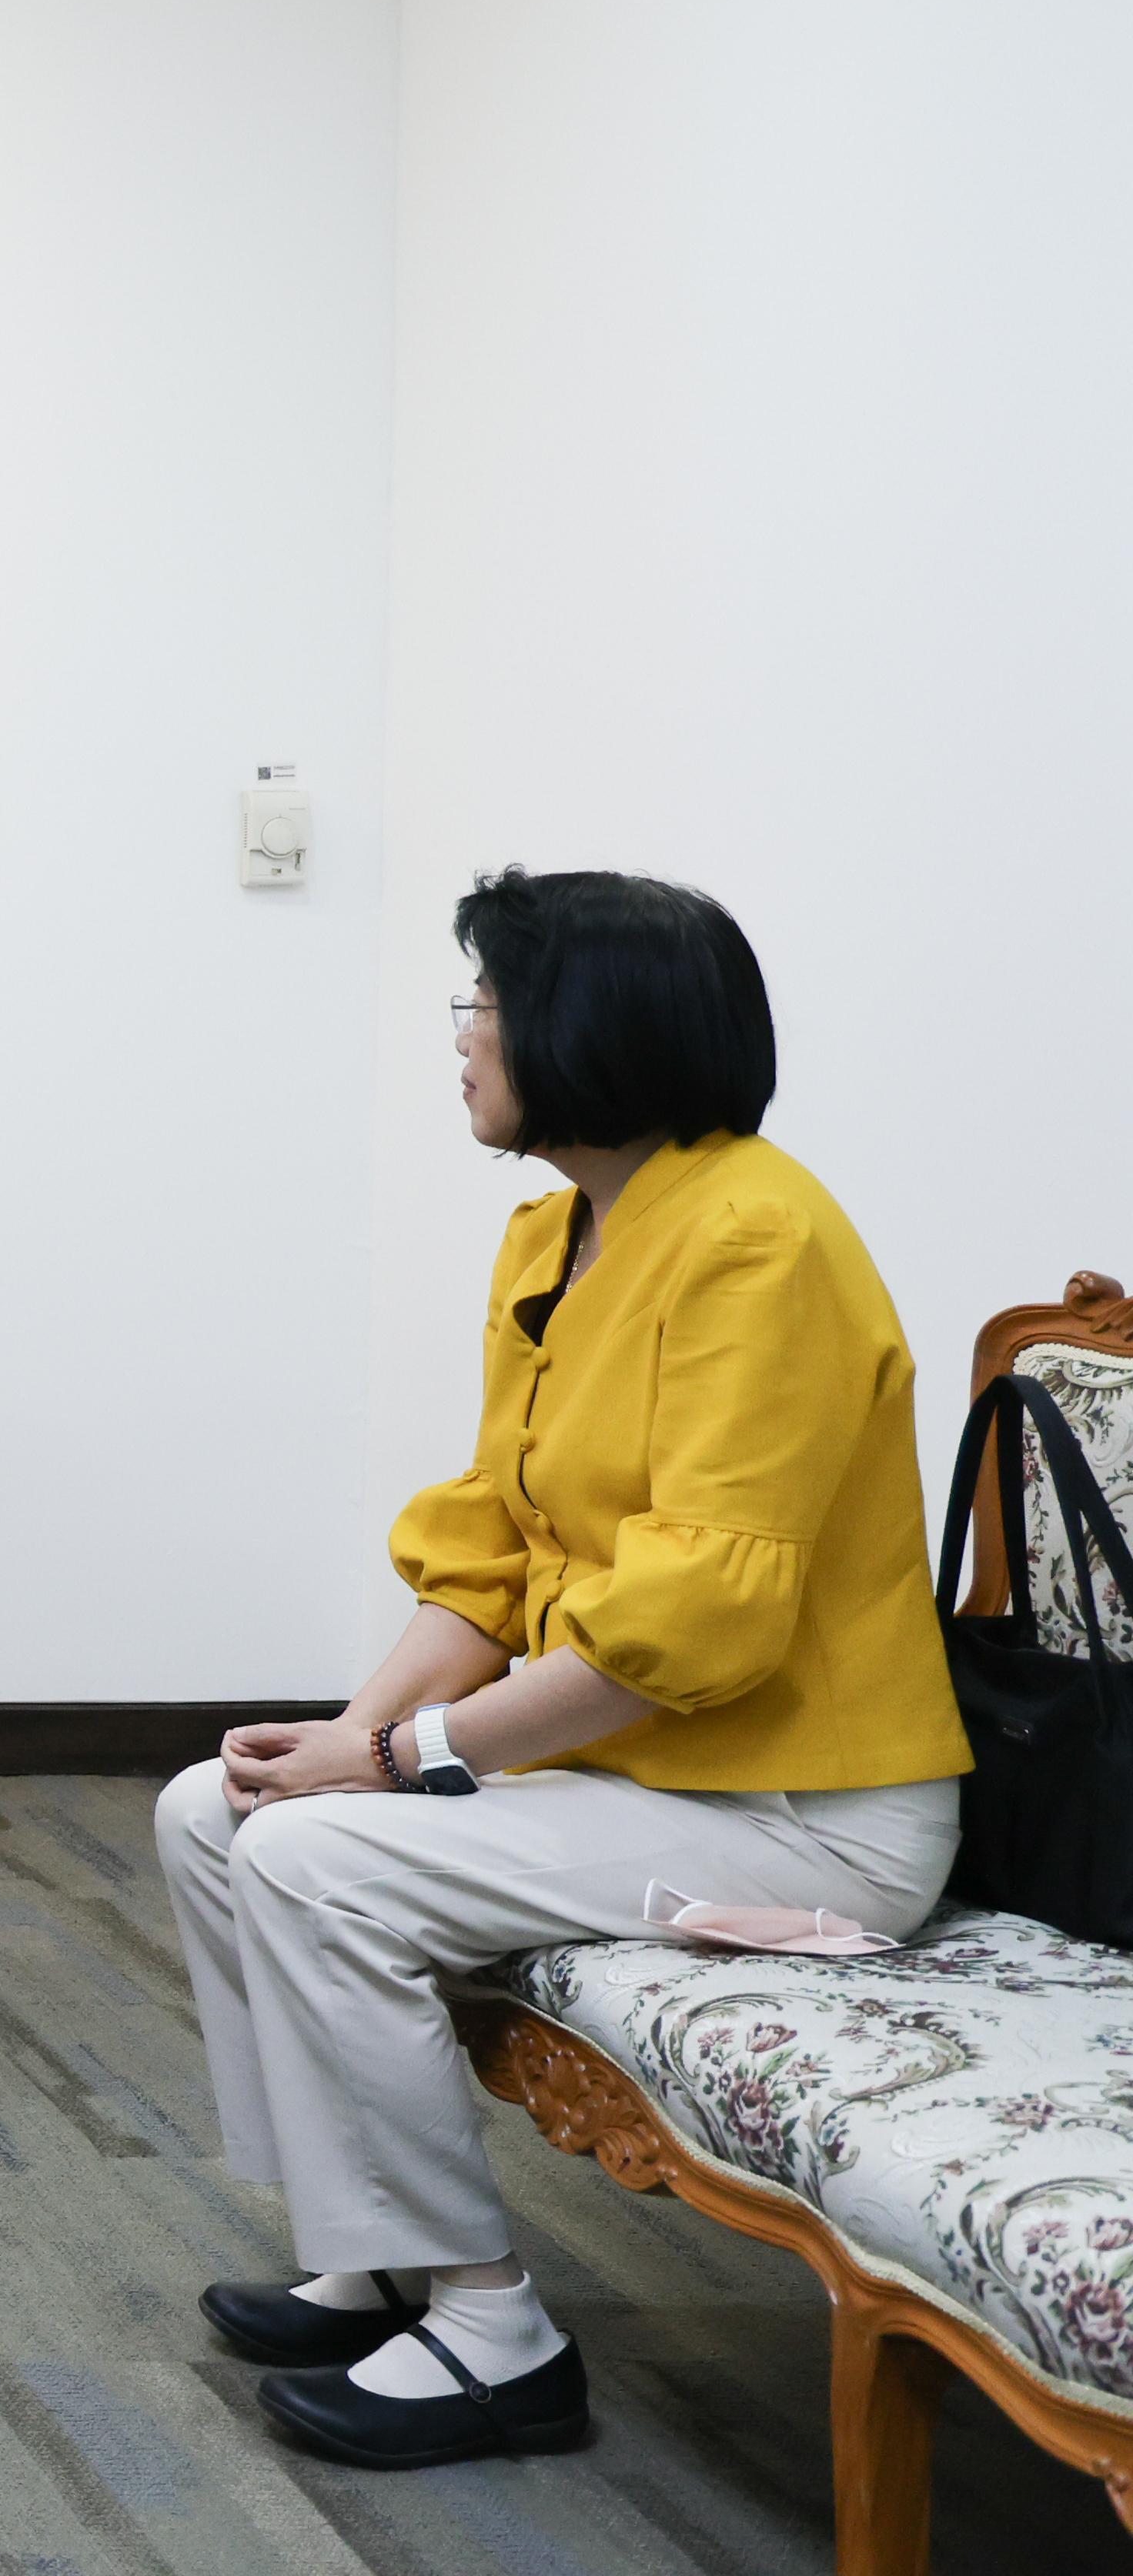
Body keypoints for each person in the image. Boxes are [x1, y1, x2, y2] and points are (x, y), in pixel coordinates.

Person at [158, 869, 971, 2470]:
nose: (465, 1037)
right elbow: (489, 1551)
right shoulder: (559, 1233)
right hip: (650, 1771)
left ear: (591, 1028)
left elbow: (691, 1619)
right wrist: (348, 1735)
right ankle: (375, 2249)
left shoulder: (759, 1239)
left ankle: (491, 2332)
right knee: (217, 1810)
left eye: (487, 1005)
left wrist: (394, 1765)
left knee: (318, 1861)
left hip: (809, 1817)